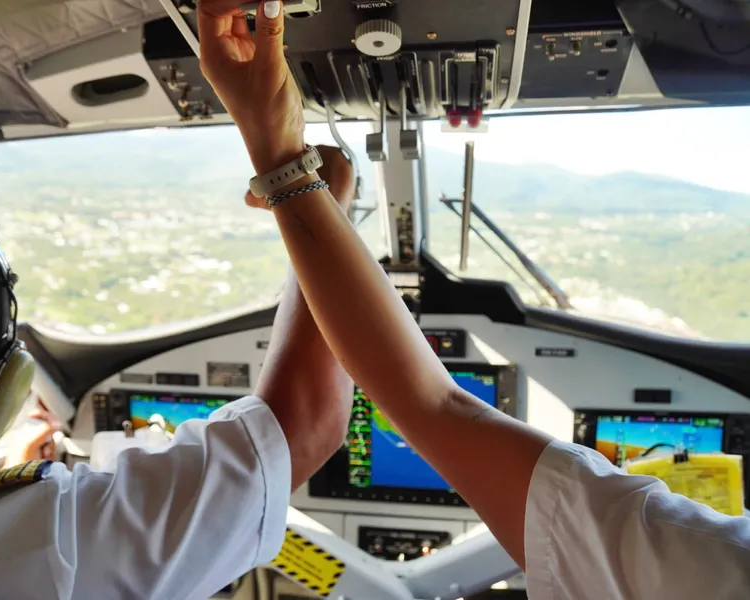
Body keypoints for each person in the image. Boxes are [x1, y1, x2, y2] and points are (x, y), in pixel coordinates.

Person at [197, 1, 750, 598]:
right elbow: (423, 408)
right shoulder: (707, 563)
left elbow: (430, 406)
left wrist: (290, 163)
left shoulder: (697, 563)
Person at [0, 162, 356, 597]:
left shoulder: (4, 540)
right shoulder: (53, 550)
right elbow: (304, 427)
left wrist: (2, 488)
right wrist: (311, 188)